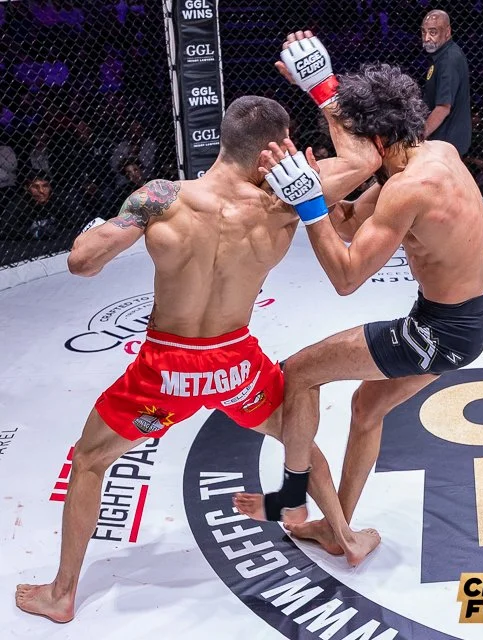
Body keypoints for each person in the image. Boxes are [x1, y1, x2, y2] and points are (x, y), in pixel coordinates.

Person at [15, 95, 381, 623]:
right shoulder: (284, 202)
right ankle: (345, 537)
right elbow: (367, 159)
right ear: (273, 151)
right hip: (237, 368)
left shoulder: (162, 197)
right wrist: (321, 88)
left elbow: (82, 263)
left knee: (91, 460)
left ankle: (62, 593)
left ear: (223, 140)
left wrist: (92, 234)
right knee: (299, 441)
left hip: (164, 375)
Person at [234, 32, 483, 561]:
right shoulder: (434, 153)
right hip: (466, 320)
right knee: (366, 408)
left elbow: (347, 276)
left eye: (355, 142)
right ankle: (340, 531)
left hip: (440, 332)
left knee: (297, 374)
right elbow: (352, 223)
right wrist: (316, 188)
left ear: (376, 139)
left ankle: (292, 499)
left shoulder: (408, 189)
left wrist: (308, 204)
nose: (346, 154)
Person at [421, 10, 471, 156]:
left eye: (433, 32)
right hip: (445, 139)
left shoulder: (449, 59)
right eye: (424, 32)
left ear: (447, 32)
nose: (427, 38)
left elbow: (443, 108)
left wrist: (419, 137)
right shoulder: (442, 56)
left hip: (447, 141)